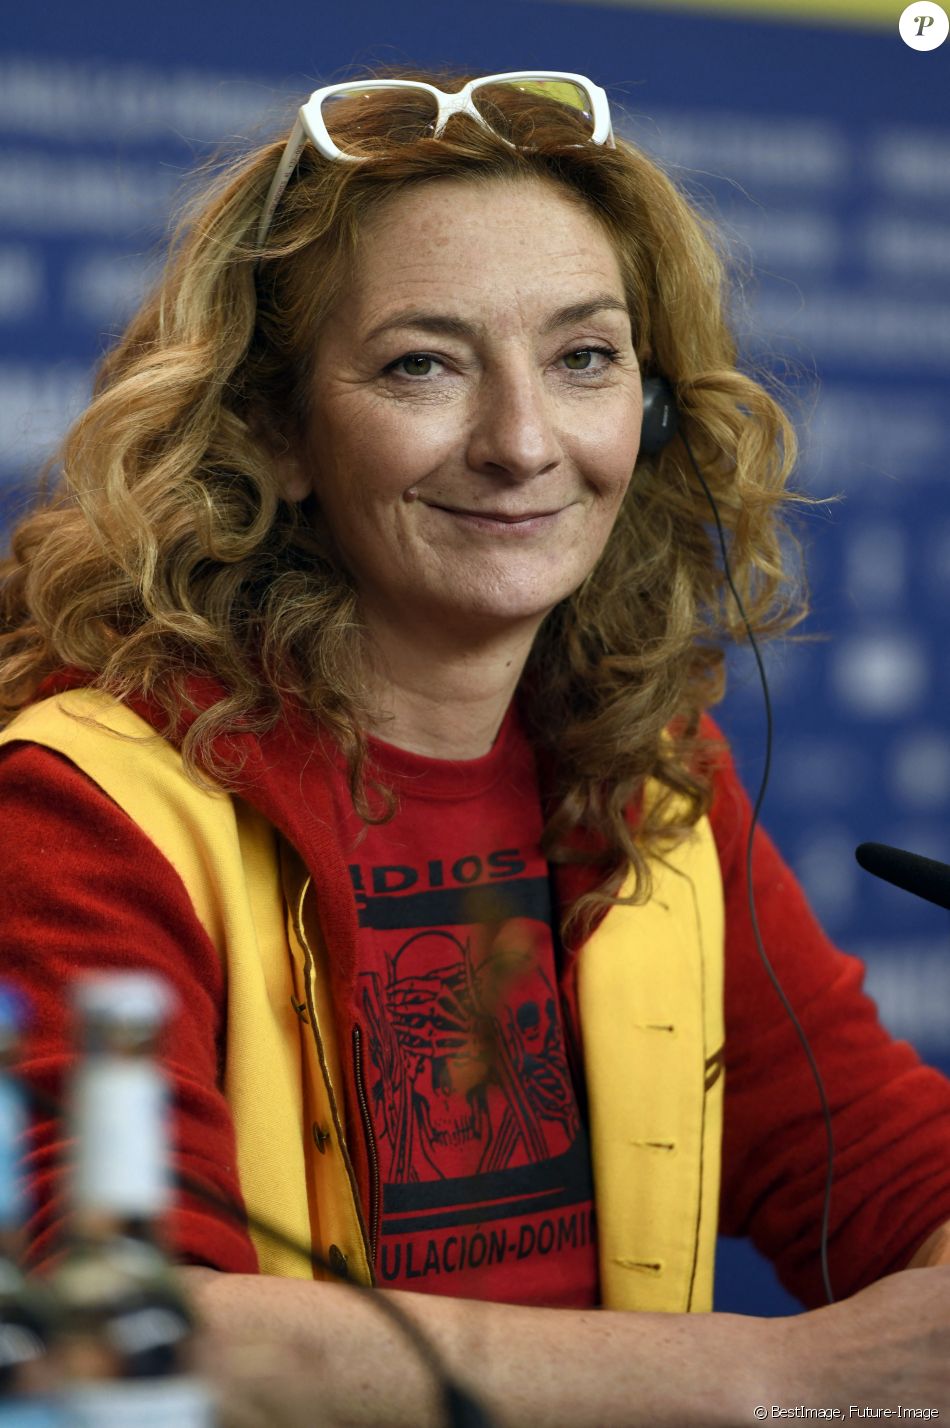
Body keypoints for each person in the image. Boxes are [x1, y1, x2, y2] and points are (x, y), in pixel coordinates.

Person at [0, 66, 948, 1425]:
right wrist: (776, 1377)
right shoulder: (83, 804)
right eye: (421, 365)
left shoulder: (647, 777)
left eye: (582, 358)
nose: (521, 443)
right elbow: (102, 1332)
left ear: (652, 407)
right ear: (274, 433)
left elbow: (885, 1164)